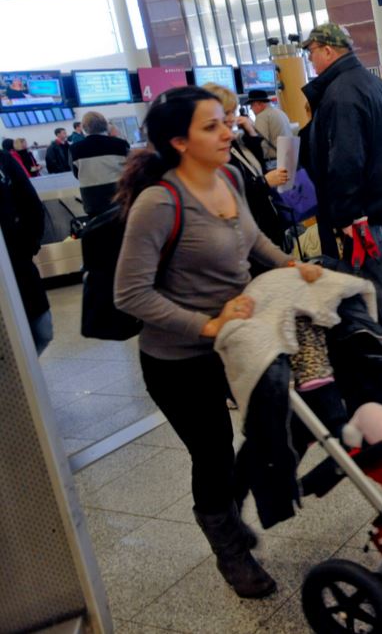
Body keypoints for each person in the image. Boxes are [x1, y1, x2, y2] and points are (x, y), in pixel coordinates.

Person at [113, 86, 324, 599]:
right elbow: (129, 293)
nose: (228, 131)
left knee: (297, 417)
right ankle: (230, 546)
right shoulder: (157, 203)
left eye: (224, 121)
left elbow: (251, 238)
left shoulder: (228, 176)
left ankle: (228, 510)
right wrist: (206, 325)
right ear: (179, 141)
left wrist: (291, 265)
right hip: (179, 358)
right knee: (211, 452)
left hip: (238, 338)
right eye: (212, 126)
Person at [299, 23, 382, 374]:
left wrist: (346, 214)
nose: (310, 60)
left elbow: (346, 159)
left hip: (375, 209)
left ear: (328, 50)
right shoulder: (371, 84)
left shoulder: (342, 93)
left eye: (311, 51)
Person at [200, 83, 290, 251]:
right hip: (248, 231)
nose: (231, 118)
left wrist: (251, 133)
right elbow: (232, 189)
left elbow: (255, 166)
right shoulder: (213, 152)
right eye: (226, 113)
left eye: (232, 112)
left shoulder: (234, 141)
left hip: (263, 223)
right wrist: (263, 182)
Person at [0, 148, 52, 353]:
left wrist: (29, 243)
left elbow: (29, 201)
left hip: (18, 259)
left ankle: (25, 378)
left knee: (42, 330)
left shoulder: (3, 160)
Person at [70, 111, 130, 214]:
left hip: (92, 200)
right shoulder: (120, 144)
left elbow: (76, 174)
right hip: (119, 197)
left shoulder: (74, 149)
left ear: (84, 127)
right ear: (105, 125)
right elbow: (131, 169)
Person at [247, 89, 292, 166]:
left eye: (252, 105)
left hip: (275, 162)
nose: (251, 109)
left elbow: (262, 143)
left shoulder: (262, 116)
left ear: (259, 104)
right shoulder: (280, 112)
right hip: (289, 158)